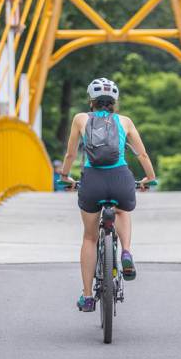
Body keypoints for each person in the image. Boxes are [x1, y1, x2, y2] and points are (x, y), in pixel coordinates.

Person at [59, 77, 156, 312]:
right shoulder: (125, 121)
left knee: (90, 238)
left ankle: (87, 296)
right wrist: (149, 178)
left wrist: (65, 177)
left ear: (90, 100)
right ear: (115, 102)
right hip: (120, 179)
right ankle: (126, 251)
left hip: (92, 181)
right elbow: (142, 155)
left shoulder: (81, 119)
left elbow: (71, 155)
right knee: (122, 211)